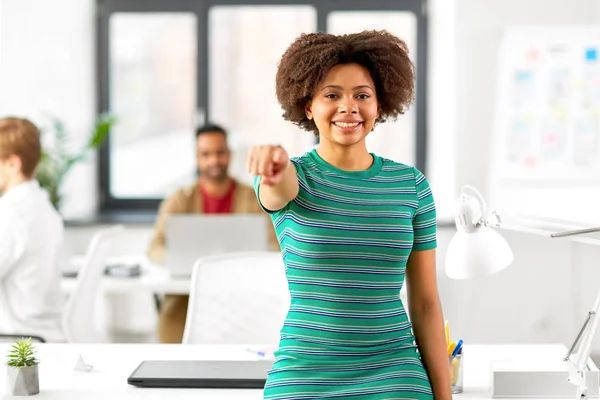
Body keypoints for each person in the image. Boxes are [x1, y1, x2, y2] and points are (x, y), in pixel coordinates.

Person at [247, 30, 452, 399]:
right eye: (331, 95)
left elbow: (425, 303)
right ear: (308, 106)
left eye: (362, 95)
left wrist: (445, 396)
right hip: (305, 373)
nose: (348, 107)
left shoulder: (411, 186)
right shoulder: (295, 176)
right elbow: (278, 190)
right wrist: (273, 166)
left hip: (394, 372)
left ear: (380, 104)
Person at [148, 123, 278, 343]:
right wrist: (179, 260)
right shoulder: (180, 199)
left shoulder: (254, 197)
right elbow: (155, 247)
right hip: (186, 296)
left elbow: (274, 244)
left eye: (220, 153)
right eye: (206, 154)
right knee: (171, 324)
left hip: (244, 293)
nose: (214, 160)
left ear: (229, 154)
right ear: (197, 158)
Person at [0, 117, 65, 342]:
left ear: (12, 163)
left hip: (15, 339)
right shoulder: (42, 205)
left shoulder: (11, 214)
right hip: (46, 334)